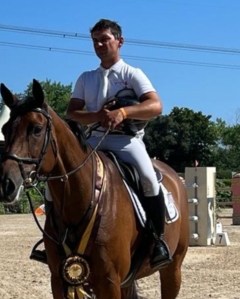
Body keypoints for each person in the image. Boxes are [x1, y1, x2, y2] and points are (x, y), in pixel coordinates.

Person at [63, 18, 171, 269]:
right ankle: (55, 240)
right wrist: (98, 116)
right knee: (61, 180)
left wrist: (123, 113)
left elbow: (156, 106)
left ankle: (157, 241)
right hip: (92, 141)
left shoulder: (132, 74)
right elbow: (72, 113)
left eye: (105, 39)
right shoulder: (86, 78)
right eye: (95, 41)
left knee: (147, 177)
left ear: (119, 42)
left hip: (126, 142)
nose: (99, 44)